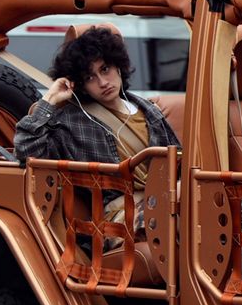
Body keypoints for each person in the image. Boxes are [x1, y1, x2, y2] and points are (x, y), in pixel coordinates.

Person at [14, 25, 180, 232]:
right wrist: (49, 100)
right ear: (80, 85)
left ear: (118, 66)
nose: (103, 82)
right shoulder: (73, 122)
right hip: (120, 216)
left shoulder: (149, 111)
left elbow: (179, 162)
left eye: (105, 69)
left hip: (167, 200)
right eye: (90, 78)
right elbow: (27, 151)